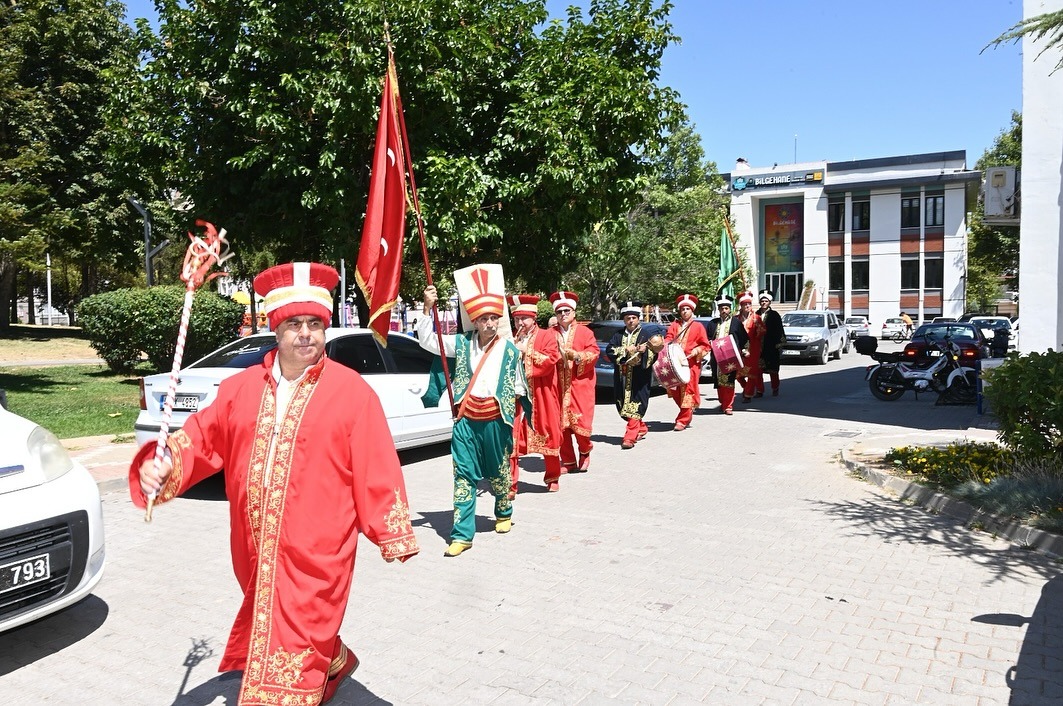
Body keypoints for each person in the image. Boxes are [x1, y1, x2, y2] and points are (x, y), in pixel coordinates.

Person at [132, 262, 419, 705]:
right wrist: (163, 466)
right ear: (276, 330)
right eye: (293, 324)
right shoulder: (239, 389)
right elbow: (202, 438)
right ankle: (333, 660)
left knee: (293, 643)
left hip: (318, 550)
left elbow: (375, 464)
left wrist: (390, 530)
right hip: (253, 543)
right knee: (278, 621)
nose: (305, 334)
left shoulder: (352, 392)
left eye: (314, 324)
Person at [417, 281, 524, 557]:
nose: (489, 324)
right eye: (484, 319)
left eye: (493, 318)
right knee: (463, 476)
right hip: (465, 420)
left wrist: (512, 415)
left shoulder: (509, 350)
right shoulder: (462, 344)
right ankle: (462, 535)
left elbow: (519, 386)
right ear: (475, 321)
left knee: (499, 472)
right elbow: (430, 342)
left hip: (495, 422)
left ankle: (503, 511)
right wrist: (427, 308)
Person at [507, 294, 563, 495]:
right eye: (516, 319)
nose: (520, 322)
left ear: (534, 318)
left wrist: (525, 352)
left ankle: (552, 476)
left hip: (541, 394)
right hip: (515, 395)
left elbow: (551, 360)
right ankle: (510, 484)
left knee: (548, 433)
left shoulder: (547, 335)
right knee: (511, 438)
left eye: (524, 318)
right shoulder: (510, 336)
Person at [549, 290, 599, 473]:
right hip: (557, 386)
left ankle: (585, 451)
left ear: (574, 313)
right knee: (560, 426)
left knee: (581, 424)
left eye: (566, 311)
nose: (563, 314)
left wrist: (578, 356)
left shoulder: (585, 332)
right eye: (559, 312)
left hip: (580, 384)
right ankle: (568, 461)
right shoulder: (550, 333)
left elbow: (594, 352)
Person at [606, 301, 657, 448]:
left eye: (633, 318)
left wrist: (644, 351)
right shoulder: (618, 335)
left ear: (638, 318)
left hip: (639, 378)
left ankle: (629, 438)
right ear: (624, 319)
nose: (631, 321)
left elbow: (655, 353)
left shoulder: (646, 334)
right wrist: (626, 350)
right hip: (622, 377)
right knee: (623, 406)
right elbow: (611, 350)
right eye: (628, 318)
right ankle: (641, 427)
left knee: (635, 405)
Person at [663, 294, 710, 431]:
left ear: (692, 310)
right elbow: (668, 339)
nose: (685, 311)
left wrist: (697, 350)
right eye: (682, 309)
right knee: (675, 391)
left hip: (690, 365)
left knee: (688, 392)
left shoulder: (698, 326)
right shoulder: (674, 325)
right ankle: (687, 413)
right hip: (674, 364)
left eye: (687, 309)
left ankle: (682, 420)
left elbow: (705, 345)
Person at [705, 295, 749, 415]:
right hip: (716, 356)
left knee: (729, 381)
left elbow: (744, 338)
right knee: (718, 381)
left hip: (730, 357)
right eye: (722, 308)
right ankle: (722, 402)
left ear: (730, 309)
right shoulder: (712, 323)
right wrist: (708, 343)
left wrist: (745, 349)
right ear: (718, 310)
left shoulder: (736, 323)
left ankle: (728, 406)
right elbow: (707, 338)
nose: (724, 311)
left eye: (726, 308)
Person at [736, 292, 767, 402]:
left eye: (749, 304)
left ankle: (748, 395)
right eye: (745, 304)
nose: (748, 306)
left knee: (752, 372)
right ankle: (747, 388)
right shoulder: (736, 319)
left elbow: (763, 331)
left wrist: (758, 329)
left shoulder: (756, 318)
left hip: (753, 348)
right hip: (739, 349)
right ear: (741, 306)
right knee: (738, 374)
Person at [757, 290, 784, 396]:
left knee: (773, 370)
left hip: (771, 347)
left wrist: (778, 345)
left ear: (769, 302)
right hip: (759, 347)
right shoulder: (756, 315)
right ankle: (759, 390)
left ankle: (775, 387)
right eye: (762, 301)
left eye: (766, 301)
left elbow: (779, 330)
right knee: (758, 371)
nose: (764, 303)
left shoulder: (774, 315)